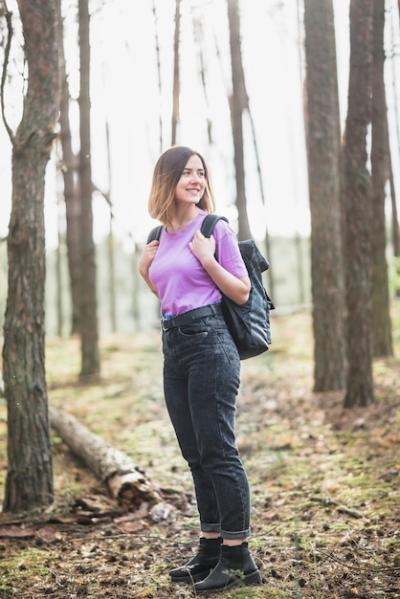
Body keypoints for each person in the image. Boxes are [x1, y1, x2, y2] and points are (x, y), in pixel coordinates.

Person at [138, 146, 262, 593]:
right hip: (175, 345)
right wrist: (144, 272)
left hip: (212, 345)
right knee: (194, 453)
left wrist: (209, 258)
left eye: (200, 173)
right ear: (166, 180)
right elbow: (172, 295)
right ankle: (211, 548)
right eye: (186, 173)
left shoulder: (214, 227)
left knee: (218, 452)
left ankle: (239, 559)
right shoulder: (160, 233)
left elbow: (243, 293)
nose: (196, 179)